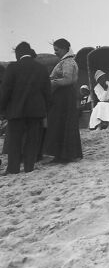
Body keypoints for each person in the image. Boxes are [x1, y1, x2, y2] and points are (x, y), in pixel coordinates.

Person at [0, 42, 51, 174]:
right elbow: (47, 92)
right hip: (36, 112)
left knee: (14, 141)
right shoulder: (41, 68)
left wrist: (1, 108)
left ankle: (13, 168)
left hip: (16, 112)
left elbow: (5, 90)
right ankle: (29, 167)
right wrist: (45, 109)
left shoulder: (12, 67)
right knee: (32, 141)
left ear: (18, 53)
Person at [44, 38, 83, 163]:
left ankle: (63, 155)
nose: (55, 52)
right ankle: (63, 154)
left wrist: (52, 82)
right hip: (65, 96)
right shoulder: (67, 61)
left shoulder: (68, 62)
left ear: (64, 49)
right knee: (63, 124)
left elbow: (68, 80)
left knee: (61, 123)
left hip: (64, 97)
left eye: (56, 50)